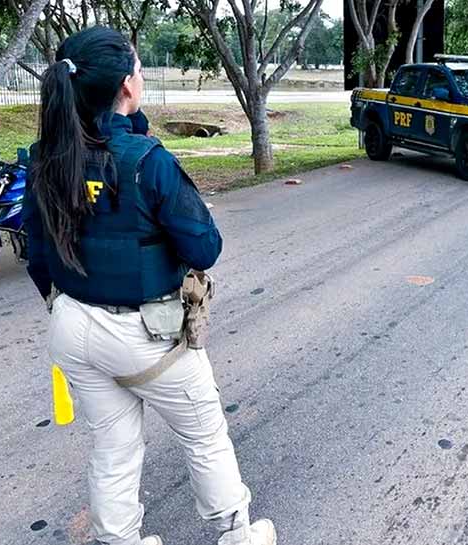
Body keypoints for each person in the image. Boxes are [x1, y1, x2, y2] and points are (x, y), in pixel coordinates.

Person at [22, 26, 275, 545]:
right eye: (137, 69)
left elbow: (37, 255)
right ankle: (237, 534)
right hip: (145, 337)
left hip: (72, 329)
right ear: (127, 86)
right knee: (204, 433)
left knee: (113, 449)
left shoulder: (45, 158)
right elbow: (205, 249)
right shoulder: (147, 162)